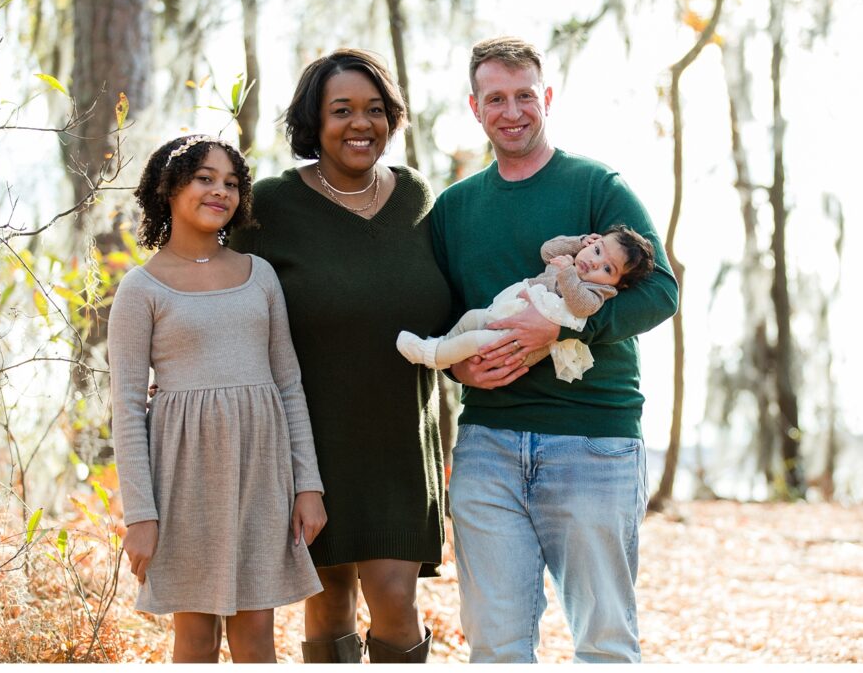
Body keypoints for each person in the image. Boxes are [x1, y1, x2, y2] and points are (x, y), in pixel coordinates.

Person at [429, 37, 680, 663]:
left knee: (603, 643)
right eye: (495, 99)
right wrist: (459, 363)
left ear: (546, 98)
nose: (511, 111)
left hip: (592, 442)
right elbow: (438, 314)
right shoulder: (455, 208)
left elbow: (663, 292)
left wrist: (567, 331)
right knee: (496, 648)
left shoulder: (597, 186)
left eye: (523, 96)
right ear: (475, 107)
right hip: (488, 446)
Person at [229, 48, 451, 664]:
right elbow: (232, 300)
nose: (361, 123)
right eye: (342, 110)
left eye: (374, 110)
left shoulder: (416, 199)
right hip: (309, 441)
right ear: (314, 121)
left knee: (396, 604)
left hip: (400, 442)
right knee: (326, 606)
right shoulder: (271, 205)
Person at [108, 134, 327, 663]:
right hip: (184, 477)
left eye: (231, 182)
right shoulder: (142, 289)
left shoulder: (260, 276)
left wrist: (308, 486)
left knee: (255, 634)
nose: (219, 191)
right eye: (205, 178)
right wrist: (140, 513)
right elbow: (126, 405)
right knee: (197, 637)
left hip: (260, 469)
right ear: (169, 188)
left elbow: (289, 384)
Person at [396, 226, 654, 382]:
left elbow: (580, 306)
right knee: (470, 319)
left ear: (617, 284)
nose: (595, 262)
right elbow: (547, 251)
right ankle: (441, 349)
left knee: (474, 341)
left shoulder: (597, 290)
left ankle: (429, 356)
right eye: (597, 250)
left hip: (518, 343)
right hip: (503, 314)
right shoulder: (573, 258)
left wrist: (567, 273)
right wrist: (578, 243)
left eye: (608, 268)